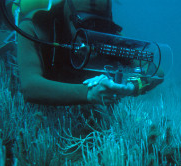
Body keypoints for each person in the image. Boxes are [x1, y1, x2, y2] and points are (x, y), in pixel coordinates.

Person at [17, 0, 164, 106]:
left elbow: (156, 71)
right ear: (68, 15)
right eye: (87, 25)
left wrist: (131, 86)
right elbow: (30, 86)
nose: (93, 35)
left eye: (101, 26)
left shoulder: (110, 38)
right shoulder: (36, 26)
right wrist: (88, 93)